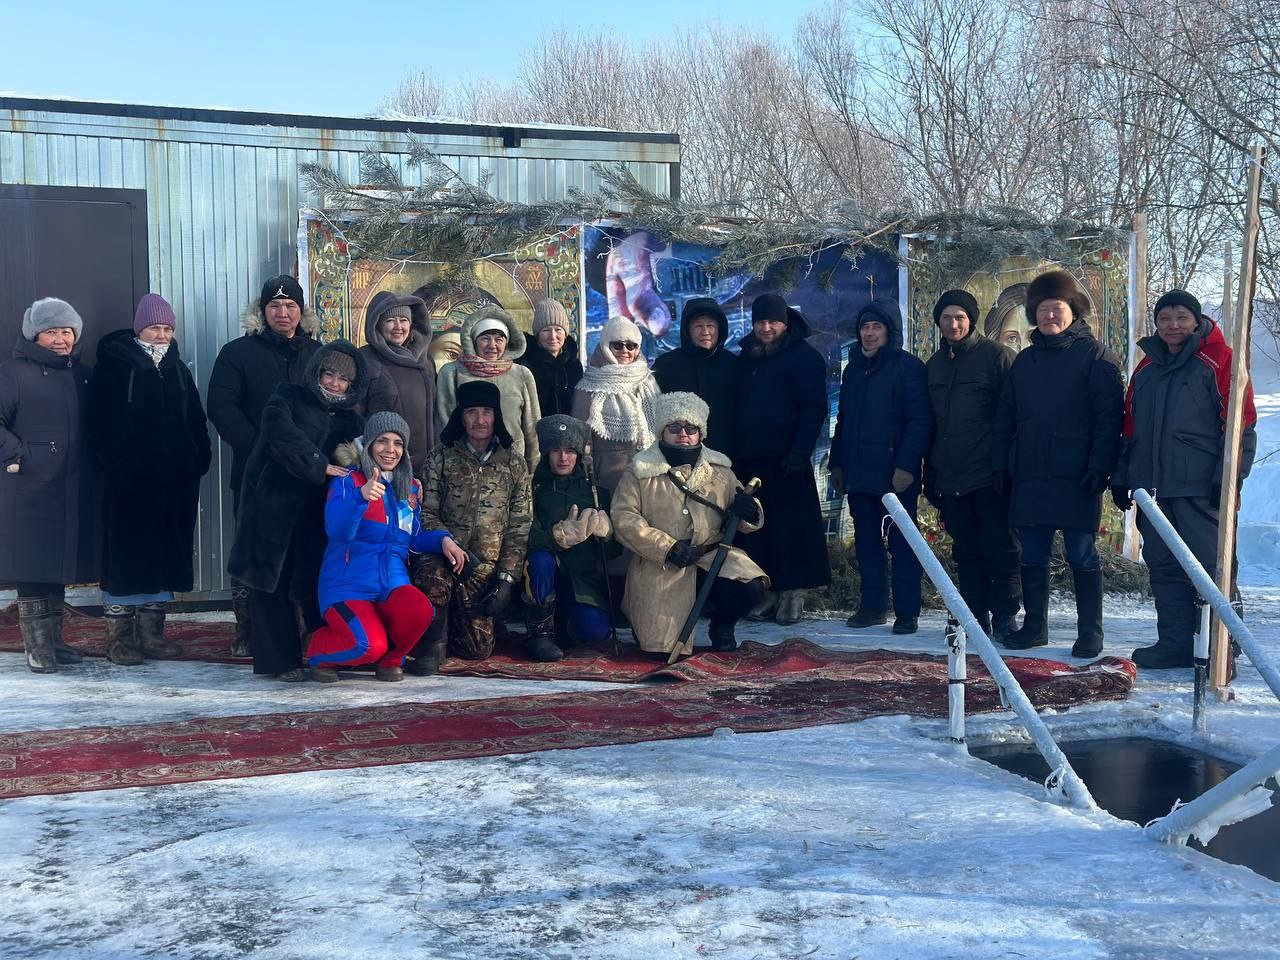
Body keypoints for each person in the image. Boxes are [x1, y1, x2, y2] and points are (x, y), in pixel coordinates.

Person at [1111, 290, 1257, 668]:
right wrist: (1122, 477)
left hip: (1200, 488)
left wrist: (1228, 480)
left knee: (1212, 569)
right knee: (1164, 568)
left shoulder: (1219, 359)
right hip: (1153, 492)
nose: (1173, 325)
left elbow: (1241, 427)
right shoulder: (1146, 368)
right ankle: (1175, 642)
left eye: (1181, 318)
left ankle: (1223, 647)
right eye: (1165, 318)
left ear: (1196, 321)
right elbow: (1130, 429)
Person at [992, 270, 1124, 658]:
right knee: (1032, 554)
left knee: (1082, 555)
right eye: (1043, 309)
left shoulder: (1096, 357)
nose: (1050, 315)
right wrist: (1002, 464)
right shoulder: (1025, 362)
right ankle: (1035, 627)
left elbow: (1109, 419)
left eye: (1057, 308)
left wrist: (1099, 467)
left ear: (1073, 311)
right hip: (1030, 473)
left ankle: (1090, 633)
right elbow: (1005, 418)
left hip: (1077, 475)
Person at [227, 341, 367, 681]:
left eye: (343, 379)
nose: (334, 383)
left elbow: (366, 456)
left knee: (314, 582)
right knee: (270, 583)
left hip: (317, 512)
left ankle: (323, 653)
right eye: (329, 374)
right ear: (316, 372)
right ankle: (279, 661)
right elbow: (280, 433)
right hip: (272, 504)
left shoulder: (352, 420)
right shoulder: (287, 397)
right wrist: (319, 464)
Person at [87, 294, 212, 665]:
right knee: (126, 558)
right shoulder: (114, 367)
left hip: (174, 485)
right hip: (130, 485)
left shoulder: (178, 369)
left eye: (167, 328)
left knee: (164, 556)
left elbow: (196, 420)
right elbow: (98, 424)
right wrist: (120, 465)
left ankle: (152, 634)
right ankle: (120, 639)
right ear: (139, 328)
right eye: (155, 327)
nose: (162, 335)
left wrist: (197, 459)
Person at [306, 411, 468, 682]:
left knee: (420, 610)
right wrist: (360, 497)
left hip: (391, 583)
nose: (390, 450)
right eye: (382, 441)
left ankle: (391, 660)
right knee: (368, 645)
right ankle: (318, 649)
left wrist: (443, 539)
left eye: (398, 443)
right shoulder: (348, 481)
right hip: (347, 585)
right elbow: (337, 531)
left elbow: (412, 538)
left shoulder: (410, 488)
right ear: (369, 444)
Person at [208, 276, 322, 657]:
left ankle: (302, 629)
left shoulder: (318, 355)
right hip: (256, 475)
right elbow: (222, 408)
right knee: (253, 555)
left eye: (290, 306)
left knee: (303, 552)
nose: (282, 313)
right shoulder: (237, 353)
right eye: (274, 306)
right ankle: (249, 631)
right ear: (262, 311)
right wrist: (260, 449)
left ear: (302, 312)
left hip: (307, 478)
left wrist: (316, 459)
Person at [612, 392, 767, 657]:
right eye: (674, 427)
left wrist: (750, 511)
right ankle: (646, 622)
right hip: (662, 563)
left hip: (712, 558)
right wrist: (667, 548)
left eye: (691, 428)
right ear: (662, 431)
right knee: (659, 650)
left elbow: (742, 519)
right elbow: (624, 518)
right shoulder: (639, 471)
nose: (683, 434)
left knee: (750, 586)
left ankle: (722, 625)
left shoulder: (721, 470)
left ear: (700, 432)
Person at [0, 298, 94, 673]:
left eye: (66, 331)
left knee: (57, 566)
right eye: (51, 332)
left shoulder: (82, 375)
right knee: (33, 565)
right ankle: (37, 648)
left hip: (70, 485)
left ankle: (54, 641)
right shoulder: (13, 373)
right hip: (29, 488)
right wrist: (21, 455)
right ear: (34, 336)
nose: (60, 339)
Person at [411, 379, 532, 670]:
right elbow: (425, 511)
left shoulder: (514, 464)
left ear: (496, 416)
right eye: (471, 412)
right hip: (443, 554)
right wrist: (447, 543)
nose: (480, 420)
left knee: (476, 650)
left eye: (487, 412)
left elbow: (520, 526)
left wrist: (506, 578)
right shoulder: (441, 456)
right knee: (433, 579)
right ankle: (433, 644)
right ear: (461, 417)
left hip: (482, 568)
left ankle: (455, 619)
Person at [831, 297, 933, 635]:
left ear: (890, 331)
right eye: (865, 327)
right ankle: (872, 607)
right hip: (859, 473)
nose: (870, 333)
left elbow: (920, 421)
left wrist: (906, 466)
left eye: (877, 326)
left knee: (903, 545)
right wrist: (837, 463)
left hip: (895, 475)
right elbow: (843, 421)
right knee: (866, 544)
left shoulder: (908, 368)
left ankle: (907, 611)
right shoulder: (853, 370)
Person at [922, 290, 1021, 642]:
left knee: (1001, 547)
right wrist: (930, 472)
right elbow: (930, 423)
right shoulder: (934, 365)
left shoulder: (997, 357)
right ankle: (973, 617)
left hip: (989, 473)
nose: (953, 324)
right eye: (947, 318)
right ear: (939, 322)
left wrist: (1006, 466)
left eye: (960, 317)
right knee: (965, 549)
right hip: (950, 475)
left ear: (971, 320)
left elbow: (1013, 416)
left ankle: (1006, 614)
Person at [733, 293, 830, 626]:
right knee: (759, 530)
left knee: (792, 530)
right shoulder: (747, 357)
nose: (766, 328)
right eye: (760, 322)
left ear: (785, 323)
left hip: (789, 460)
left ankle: (793, 593)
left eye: (772, 321)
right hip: (752, 460)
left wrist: (800, 451)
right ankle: (767, 592)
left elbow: (814, 408)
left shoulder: (804, 357)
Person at [525, 414, 619, 661]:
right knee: (541, 560)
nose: (563, 458)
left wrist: (607, 536)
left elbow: (613, 554)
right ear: (546, 452)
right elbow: (523, 538)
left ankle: (565, 625)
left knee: (597, 632)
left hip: (581, 580)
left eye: (569, 451)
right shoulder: (531, 490)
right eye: (556, 450)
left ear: (578, 454)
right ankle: (540, 633)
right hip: (544, 576)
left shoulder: (596, 493)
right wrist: (556, 537)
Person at [436, 305, 541, 473]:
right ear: (473, 341)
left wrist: (532, 470)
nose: (492, 345)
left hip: (511, 467)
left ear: (507, 343)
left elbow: (532, 427)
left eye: (499, 339)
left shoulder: (521, 374)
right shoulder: (452, 373)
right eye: (485, 338)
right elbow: (444, 421)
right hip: (464, 468)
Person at [571, 316, 661, 492]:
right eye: (618, 345)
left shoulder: (648, 381)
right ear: (606, 345)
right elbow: (580, 439)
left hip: (649, 474)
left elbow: (661, 426)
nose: (625, 351)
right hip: (608, 479)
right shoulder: (588, 385)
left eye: (631, 346)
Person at [652, 297, 740, 456]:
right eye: (698, 326)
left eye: (711, 325)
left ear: (720, 328)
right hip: (679, 457)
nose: (705, 332)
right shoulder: (666, 365)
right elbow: (653, 413)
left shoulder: (734, 365)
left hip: (727, 456)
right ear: (687, 330)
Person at [360, 291, 436, 471]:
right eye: (390, 320)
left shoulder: (425, 362)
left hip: (424, 464)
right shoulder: (365, 359)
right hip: (383, 462)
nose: (398, 327)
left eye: (403, 320)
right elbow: (355, 415)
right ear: (377, 324)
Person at [516, 299, 583, 418]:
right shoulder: (524, 364)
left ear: (565, 334)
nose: (553, 336)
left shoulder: (574, 366)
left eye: (558, 330)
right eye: (546, 330)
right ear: (537, 334)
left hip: (569, 428)